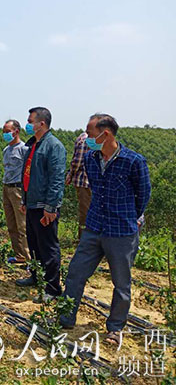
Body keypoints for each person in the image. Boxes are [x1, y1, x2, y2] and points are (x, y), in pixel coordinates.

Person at [59, 114, 151, 345]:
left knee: (121, 283)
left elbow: (144, 195)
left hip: (121, 232)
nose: (86, 138)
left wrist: (130, 217)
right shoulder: (91, 158)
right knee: (75, 273)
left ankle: (115, 327)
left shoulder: (133, 161)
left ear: (105, 133)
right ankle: (66, 317)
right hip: (94, 227)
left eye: (90, 133)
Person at [16, 107, 66, 303]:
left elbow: (56, 179)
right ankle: (36, 276)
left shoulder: (54, 146)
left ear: (42, 123)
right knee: (34, 244)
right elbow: (28, 174)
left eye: (30, 121)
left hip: (45, 206)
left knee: (48, 247)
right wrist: (25, 200)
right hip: (32, 203)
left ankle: (53, 288)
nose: (28, 124)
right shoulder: (34, 145)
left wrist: (51, 207)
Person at [1, 120, 30, 264]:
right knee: (11, 224)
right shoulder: (6, 150)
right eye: (4, 131)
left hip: (18, 189)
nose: (5, 134)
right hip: (6, 188)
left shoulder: (24, 149)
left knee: (22, 225)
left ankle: (29, 259)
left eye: (8, 131)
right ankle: (19, 255)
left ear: (16, 131)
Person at [65, 132, 92, 239]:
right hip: (89, 181)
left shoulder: (84, 139)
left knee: (85, 212)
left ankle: (85, 240)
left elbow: (77, 161)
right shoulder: (88, 139)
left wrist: (70, 174)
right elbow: (78, 161)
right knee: (88, 212)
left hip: (84, 181)